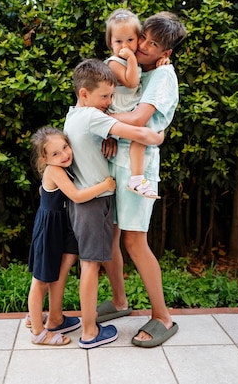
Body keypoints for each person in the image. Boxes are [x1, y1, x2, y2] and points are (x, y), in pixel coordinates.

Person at [99, 11, 188, 348]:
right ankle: (120, 302)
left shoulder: (163, 77)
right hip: (113, 159)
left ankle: (163, 316)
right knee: (109, 234)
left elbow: (138, 119)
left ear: (166, 52)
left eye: (154, 45)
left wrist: (101, 120)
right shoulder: (136, 70)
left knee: (135, 241)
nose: (144, 47)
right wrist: (107, 130)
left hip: (136, 167)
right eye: (144, 39)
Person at [63, 58, 165, 349]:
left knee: (92, 262)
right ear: (84, 94)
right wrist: (158, 133)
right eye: (105, 96)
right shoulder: (93, 117)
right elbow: (138, 132)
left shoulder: (73, 116)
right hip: (94, 204)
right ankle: (89, 332)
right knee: (91, 266)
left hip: (86, 203)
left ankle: (96, 317)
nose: (110, 103)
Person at [27, 126, 116, 346]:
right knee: (41, 280)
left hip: (61, 226)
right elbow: (76, 195)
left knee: (57, 272)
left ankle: (54, 318)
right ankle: (38, 331)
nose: (65, 155)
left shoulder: (62, 167)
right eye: (56, 153)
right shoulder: (54, 170)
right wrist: (105, 185)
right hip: (49, 229)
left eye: (66, 147)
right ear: (44, 158)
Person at [104, 8, 165, 199]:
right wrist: (130, 58)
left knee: (143, 138)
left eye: (130, 40)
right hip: (116, 114)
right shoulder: (114, 62)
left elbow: (142, 75)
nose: (125, 46)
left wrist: (161, 61)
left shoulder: (135, 62)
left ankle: (137, 178)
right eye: (118, 41)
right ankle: (137, 179)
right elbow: (131, 82)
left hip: (128, 112)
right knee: (142, 135)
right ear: (110, 43)